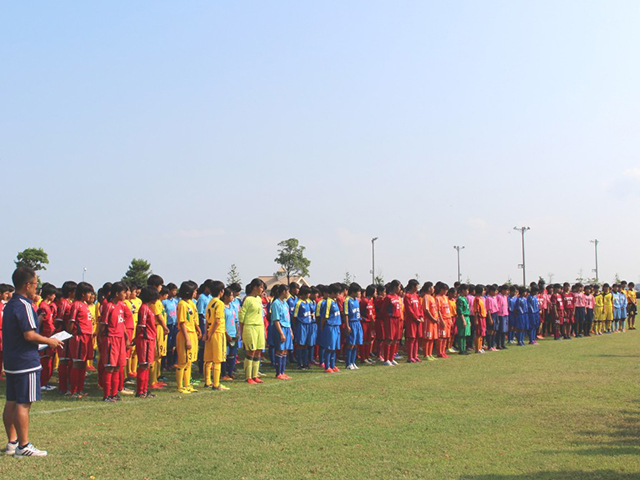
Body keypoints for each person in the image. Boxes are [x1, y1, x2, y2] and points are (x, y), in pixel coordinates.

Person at [2, 267, 64, 457]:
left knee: (11, 401)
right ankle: (23, 446)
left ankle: (12, 442)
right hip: (25, 361)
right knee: (24, 402)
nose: (37, 288)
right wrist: (50, 341)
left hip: (12, 360)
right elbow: (29, 335)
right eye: (36, 284)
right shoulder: (25, 305)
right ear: (27, 285)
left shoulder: (9, 305)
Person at [68, 282, 95, 398]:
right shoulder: (76, 305)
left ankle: (80, 389)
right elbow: (71, 321)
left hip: (88, 336)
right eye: (89, 293)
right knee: (77, 363)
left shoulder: (85, 305)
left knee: (83, 363)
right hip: (80, 336)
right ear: (83, 293)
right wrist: (71, 334)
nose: (91, 295)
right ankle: (74, 391)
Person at [239, 279, 267, 384]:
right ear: (255, 287)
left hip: (259, 327)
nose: (262, 289)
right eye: (261, 287)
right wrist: (241, 332)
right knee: (251, 351)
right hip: (250, 327)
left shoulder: (259, 299)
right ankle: (248, 377)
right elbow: (241, 317)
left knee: (258, 351)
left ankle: (255, 375)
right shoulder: (248, 299)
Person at [203, 281, 229, 391]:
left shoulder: (210, 302)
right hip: (217, 333)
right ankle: (216, 384)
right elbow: (217, 321)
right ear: (221, 291)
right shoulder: (220, 303)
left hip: (209, 331)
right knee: (218, 359)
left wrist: (206, 333)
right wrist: (211, 333)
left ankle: (207, 381)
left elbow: (206, 320)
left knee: (208, 359)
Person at [135, 286, 159, 398]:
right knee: (143, 364)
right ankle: (140, 391)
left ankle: (144, 390)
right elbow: (141, 325)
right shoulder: (144, 308)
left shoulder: (149, 308)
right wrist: (136, 338)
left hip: (150, 339)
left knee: (147, 365)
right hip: (145, 339)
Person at [176, 281, 200, 394]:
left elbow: (193, 318)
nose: (196, 293)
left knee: (189, 361)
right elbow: (182, 323)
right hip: (185, 334)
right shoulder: (182, 304)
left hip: (192, 333)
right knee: (183, 361)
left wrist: (198, 328)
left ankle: (187, 384)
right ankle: (180, 386)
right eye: (194, 291)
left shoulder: (191, 303)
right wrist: (187, 339)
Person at [36, 283, 57, 390]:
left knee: (49, 361)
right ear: (49, 295)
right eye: (53, 294)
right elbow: (39, 322)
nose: (54, 296)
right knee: (44, 361)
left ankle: (45, 382)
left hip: (50, 335)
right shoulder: (43, 306)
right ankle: (42, 383)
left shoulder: (48, 306)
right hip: (45, 336)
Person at [271, 285, 294, 379]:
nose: (289, 293)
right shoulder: (276, 303)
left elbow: (288, 319)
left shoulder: (285, 303)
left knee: (285, 350)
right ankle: (278, 373)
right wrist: (281, 333)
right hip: (281, 328)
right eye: (288, 291)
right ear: (284, 291)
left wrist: (290, 330)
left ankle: (283, 372)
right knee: (280, 350)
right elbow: (276, 320)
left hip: (287, 328)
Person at [319, 283, 342, 372]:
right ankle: (327, 367)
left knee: (334, 348)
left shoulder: (334, 301)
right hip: (330, 327)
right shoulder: (328, 302)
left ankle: (332, 365)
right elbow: (324, 316)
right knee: (329, 348)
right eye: (337, 293)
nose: (339, 294)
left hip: (336, 326)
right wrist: (322, 327)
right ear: (333, 292)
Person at [293, 286, 314, 370]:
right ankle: (299, 364)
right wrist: (296, 327)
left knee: (306, 345)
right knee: (300, 345)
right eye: (308, 293)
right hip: (301, 325)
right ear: (304, 294)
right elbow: (294, 317)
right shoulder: (299, 303)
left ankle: (305, 363)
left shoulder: (308, 302)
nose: (309, 295)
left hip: (309, 325)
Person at [344, 283, 364, 369]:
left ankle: (353, 362)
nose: (360, 293)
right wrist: (347, 326)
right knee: (350, 344)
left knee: (356, 343)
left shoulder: (357, 300)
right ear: (353, 292)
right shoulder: (347, 300)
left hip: (357, 322)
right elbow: (346, 314)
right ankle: (348, 363)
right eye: (359, 292)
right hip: (351, 323)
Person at [403, 280, 423, 363]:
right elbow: (409, 309)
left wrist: (421, 316)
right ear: (413, 286)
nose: (418, 287)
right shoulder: (407, 296)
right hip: (411, 320)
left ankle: (415, 356)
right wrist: (415, 318)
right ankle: (410, 357)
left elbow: (420, 307)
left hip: (418, 320)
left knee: (417, 338)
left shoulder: (416, 296)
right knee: (411, 338)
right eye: (417, 286)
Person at [221, 288, 238, 381]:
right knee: (224, 354)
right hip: (225, 334)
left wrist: (237, 331)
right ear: (225, 296)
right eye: (231, 295)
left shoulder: (232, 306)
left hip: (233, 333)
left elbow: (236, 320)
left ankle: (230, 372)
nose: (232, 297)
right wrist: (226, 334)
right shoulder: (222, 307)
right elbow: (221, 323)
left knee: (232, 354)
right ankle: (223, 373)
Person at [455, 285, 471, 355]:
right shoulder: (460, 299)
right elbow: (460, 310)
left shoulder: (465, 298)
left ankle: (464, 348)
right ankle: (461, 349)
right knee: (461, 334)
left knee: (465, 334)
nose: (468, 291)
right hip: (462, 317)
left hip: (467, 317)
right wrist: (463, 320)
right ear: (462, 290)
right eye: (466, 290)